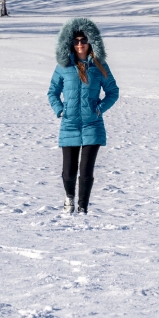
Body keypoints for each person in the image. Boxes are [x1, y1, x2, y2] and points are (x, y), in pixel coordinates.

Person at [47, 18, 119, 214]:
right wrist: (60, 109)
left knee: (86, 171)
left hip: (92, 124)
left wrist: (100, 108)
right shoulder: (63, 66)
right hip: (69, 124)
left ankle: (83, 208)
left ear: (91, 42)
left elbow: (113, 91)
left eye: (84, 40)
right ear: (70, 42)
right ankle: (69, 198)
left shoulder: (99, 66)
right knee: (69, 172)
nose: (80, 44)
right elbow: (52, 92)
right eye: (76, 40)